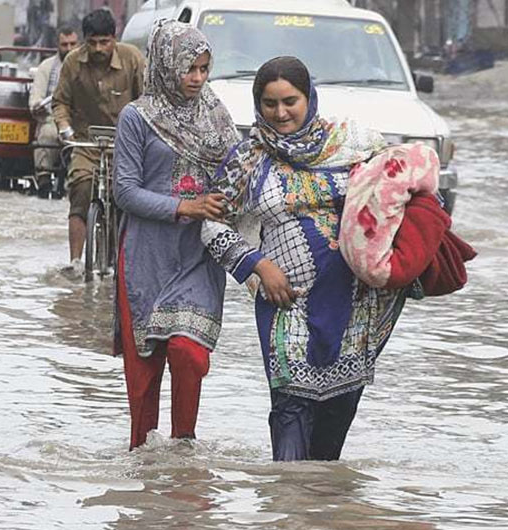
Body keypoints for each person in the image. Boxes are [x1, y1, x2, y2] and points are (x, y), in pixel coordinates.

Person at [202, 56, 405, 461]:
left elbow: (404, 187)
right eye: (269, 103)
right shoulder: (247, 160)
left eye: (290, 101)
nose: (280, 113)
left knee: (336, 419)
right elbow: (211, 224)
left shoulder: (354, 144)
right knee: (290, 410)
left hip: (354, 304)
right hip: (285, 302)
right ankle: (286, 509)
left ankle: (319, 512)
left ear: (309, 97)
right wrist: (257, 264)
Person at [112, 20, 239, 450]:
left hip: (198, 255)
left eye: (204, 69)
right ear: (167, 66)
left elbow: (239, 172)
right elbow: (125, 191)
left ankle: (184, 449)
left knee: (190, 353)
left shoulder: (216, 115)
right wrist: (184, 207)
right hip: (146, 256)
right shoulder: (137, 117)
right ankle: (145, 466)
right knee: (143, 376)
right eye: (190, 69)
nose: (198, 79)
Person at [51, 8, 144, 273]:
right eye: (92, 43)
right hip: (86, 142)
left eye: (104, 42)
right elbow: (60, 103)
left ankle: (121, 260)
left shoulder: (133, 59)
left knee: (125, 196)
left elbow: (148, 102)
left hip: (125, 143)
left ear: (114, 39)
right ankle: (76, 261)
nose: (98, 48)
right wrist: (64, 128)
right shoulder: (72, 62)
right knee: (80, 186)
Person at [29, 25, 79, 198]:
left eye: (73, 44)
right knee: (47, 136)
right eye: (64, 44)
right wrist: (38, 106)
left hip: (79, 121)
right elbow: (35, 98)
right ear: (58, 45)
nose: (69, 48)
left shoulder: (86, 66)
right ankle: (43, 181)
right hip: (52, 119)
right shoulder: (46, 67)